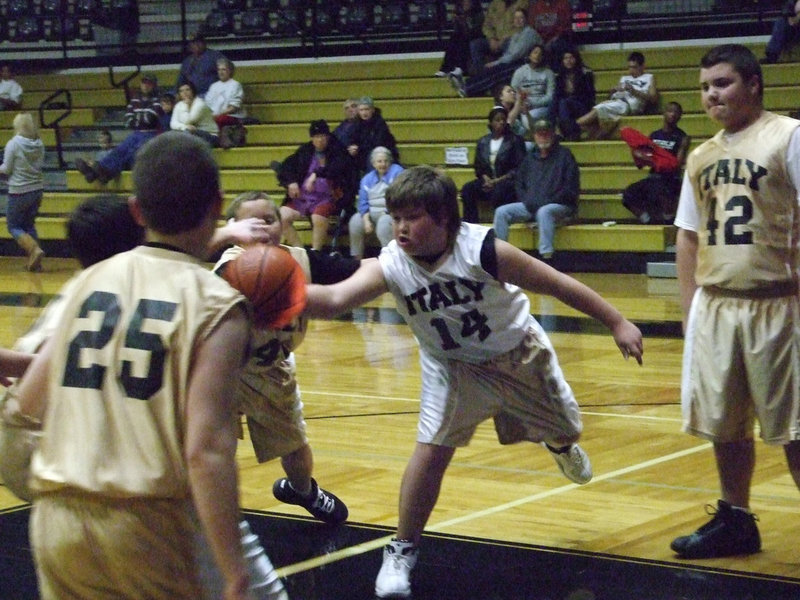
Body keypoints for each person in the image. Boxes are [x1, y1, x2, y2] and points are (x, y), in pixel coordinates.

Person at [303, 165, 643, 599]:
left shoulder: (483, 249)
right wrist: (269, 297)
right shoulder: (392, 263)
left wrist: (616, 321)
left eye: (412, 217)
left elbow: (557, 284)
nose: (400, 227)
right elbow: (334, 301)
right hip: (453, 367)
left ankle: (559, 446)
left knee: (565, 429)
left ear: (444, 217)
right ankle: (402, 547)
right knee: (431, 450)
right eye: (396, 217)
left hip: (519, 355)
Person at [8, 132, 260, 599]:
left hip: (55, 518)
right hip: (143, 525)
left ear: (137, 210)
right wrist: (233, 568)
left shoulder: (89, 280)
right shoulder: (215, 303)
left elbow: (25, 404)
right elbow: (207, 451)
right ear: (217, 204)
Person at [671, 43, 800, 560]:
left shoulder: (788, 136)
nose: (711, 95)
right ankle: (736, 520)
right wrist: (689, 313)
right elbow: (687, 235)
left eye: (721, 83)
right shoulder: (700, 156)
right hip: (718, 305)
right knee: (723, 422)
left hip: (781, 301)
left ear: (753, 84)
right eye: (705, 87)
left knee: (795, 428)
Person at [214, 191, 356, 525]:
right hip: (221, 370)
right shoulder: (228, 267)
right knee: (216, 444)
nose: (262, 227)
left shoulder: (300, 260)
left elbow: (354, 270)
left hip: (270, 369)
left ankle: (302, 491)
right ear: (232, 228)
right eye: (252, 220)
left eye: (270, 219)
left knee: (294, 446)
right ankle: (213, 508)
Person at [493, 118, 579, 261]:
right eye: (539, 134)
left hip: (560, 206)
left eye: (546, 133)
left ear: (553, 134)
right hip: (531, 205)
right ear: (534, 136)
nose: (543, 136)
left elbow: (570, 188)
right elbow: (519, 184)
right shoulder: (529, 159)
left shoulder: (565, 155)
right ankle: (499, 256)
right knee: (501, 212)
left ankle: (546, 257)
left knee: (544, 212)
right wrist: (527, 201)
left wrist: (546, 201)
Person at [277, 119, 355, 250]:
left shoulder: (338, 150)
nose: (320, 140)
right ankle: (300, 250)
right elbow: (286, 166)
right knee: (280, 217)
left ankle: (316, 252)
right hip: (302, 196)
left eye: (323, 136)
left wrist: (316, 174)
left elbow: (337, 169)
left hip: (328, 197)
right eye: (317, 137)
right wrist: (291, 182)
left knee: (317, 217)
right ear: (312, 138)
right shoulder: (305, 150)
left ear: (328, 137)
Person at [75, 73, 164, 184]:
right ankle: (96, 172)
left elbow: (150, 119)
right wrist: (141, 118)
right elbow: (128, 120)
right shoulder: (135, 100)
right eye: (143, 83)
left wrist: (137, 118)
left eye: (149, 83)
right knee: (120, 149)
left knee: (132, 151)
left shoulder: (158, 100)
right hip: (137, 132)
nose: (145, 86)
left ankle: (100, 172)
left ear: (154, 85)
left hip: (152, 134)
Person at [621, 101, 690, 224]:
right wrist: (638, 155)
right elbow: (641, 162)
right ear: (664, 113)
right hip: (653, 176)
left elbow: (676, 165)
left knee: (659, 188)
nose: (672, 115)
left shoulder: (682, 137)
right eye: (670, 111)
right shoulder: (654, 135)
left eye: (676, 112)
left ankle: (668, 218)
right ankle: (647, 220)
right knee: (628, 194)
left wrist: (653, 160)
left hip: (670, 178)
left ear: (680, 116)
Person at [448, 8, 540, 98]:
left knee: (497, 71)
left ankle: (467, 88)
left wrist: (496, 63)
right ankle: (468, 86)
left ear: (526, 20)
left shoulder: (529, 34)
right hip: (515, 62)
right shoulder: (516, 34)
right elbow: (509, 54)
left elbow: (515, 55)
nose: (518, 20)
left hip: (525, 64)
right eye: (516, 18)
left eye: (521, 18)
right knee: (494, 69)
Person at [460, 105, 526, 223]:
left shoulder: (515, 140)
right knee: (467, 189)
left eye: (503, 120)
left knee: (499, 192)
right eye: (497, 120)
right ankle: (471, 223)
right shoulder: (483, 141)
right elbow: (478, 166)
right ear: (490, 123)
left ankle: (500, 224)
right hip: (488, 181)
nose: (501, 122)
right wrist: (485, 178)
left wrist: (497, 181)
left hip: (508, 182)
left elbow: (520, 168)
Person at [576, 51, 658, 139]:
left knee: (598, 110)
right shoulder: (624, 78)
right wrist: (613, 90)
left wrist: (633, 91)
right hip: (616, 101)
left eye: (634, 67)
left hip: (628, 105)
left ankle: (572, 126)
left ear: (642, 66)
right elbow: (610, 97)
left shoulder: (649, 77)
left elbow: (653, 98)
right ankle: (576, 129)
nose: (631, 70)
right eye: (629, 67)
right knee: (593, 123)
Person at [0, 113, 45, 272]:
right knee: (29, 224)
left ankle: (34, 250)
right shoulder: (39, 143)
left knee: (13, 226)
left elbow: (6, 169)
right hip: (37, 189)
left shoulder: (13, 143)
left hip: (19, 191)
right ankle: (35, 262)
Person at [348, 147, 405, 259]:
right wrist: (366, 221)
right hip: (371, 213)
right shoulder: (367, 179)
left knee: (384, 225)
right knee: (355, 222)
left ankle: (391, 259)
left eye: (386, 161)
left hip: (391, 213)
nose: (383, 164)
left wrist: (388, 212)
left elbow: (399, 196)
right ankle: (357, 261)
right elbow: (363, 202)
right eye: (379, 161)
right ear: (373, 164)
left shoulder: (397, 172)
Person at [469, 0, 529, 76]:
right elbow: (486, 25)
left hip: (512, 39)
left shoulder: (523, 3)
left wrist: (505, 38)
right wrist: (491, 38)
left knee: (510, 45)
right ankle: (482, 76)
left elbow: (523, 26)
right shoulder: (495, 3)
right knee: (475, 45)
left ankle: (503, 77)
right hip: (495, 39)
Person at [348, 97, 400, 173]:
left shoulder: (380, 123)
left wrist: (359, 148)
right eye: (361, 110)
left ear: (372, 110)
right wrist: (352, 148)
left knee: (373, 155)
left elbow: (377, 143)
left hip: (381, 154)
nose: (364, 113)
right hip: (362, 154)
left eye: (366, 109)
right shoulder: (356, 124)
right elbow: (352, 139)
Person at [434, 0, 485, 79]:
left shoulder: (479, 14)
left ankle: (460, 67)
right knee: (454, 38)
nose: (465, 3)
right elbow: (458, 29)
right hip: (462, 35)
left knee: (463, 40)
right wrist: (457, 20)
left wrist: (465, 19)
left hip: (476, 37)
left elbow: (475, 29)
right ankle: (445, 68)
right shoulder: (459, 12)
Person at [553, 48, 595, 141]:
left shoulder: (585, 73)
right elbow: (557, 96)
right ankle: (570, 132)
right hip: (565, 108)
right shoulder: (560, 76)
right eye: (566, 58)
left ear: (576, 59)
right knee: (556, 104)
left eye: (571, 57)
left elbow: (589, 96)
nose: (568, 61)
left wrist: (571, 100)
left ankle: (568, 132)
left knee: (564, 103)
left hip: (582, 106)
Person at [205, 57, 247, 149]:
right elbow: (207, 105)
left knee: (219, 120)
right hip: (215, 116)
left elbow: (233, 107)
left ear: (230, 71)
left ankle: (216, 141)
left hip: (232, 116)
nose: (221, 72)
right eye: (219, 70)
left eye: (223, 69)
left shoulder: (235, 85)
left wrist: (217, 114)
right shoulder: (213, 86)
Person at [511, 44, 556, 122]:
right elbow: (513, 90)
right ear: (529, 55)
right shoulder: (520, 72)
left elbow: (550, 96)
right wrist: (521, 105)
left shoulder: (549, 73)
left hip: (542, 107)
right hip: (522, 105)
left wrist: (533, 104)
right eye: (535, 52)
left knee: (531, 116)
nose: (537, 55)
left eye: (540, 54)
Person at [527, 0, 575, 71]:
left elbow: (565, 27)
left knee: (558, 45)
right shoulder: (535, 6)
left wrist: (551, 41)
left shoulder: (563, 4)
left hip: (557, 40)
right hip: (540, 40)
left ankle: (555, 73)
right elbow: (532, 27)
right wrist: (540, 42)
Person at [171, 81, 220, 147]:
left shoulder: (200, 104)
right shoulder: (179, 105)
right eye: (181, 91)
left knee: (187, 134)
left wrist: (185, 106)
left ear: (193, 91)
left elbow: (188, 121)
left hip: (210, 136)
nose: (184, 93)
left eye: (187, 90)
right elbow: (173, 123)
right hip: (192, 135)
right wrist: (184, 127)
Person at [176, 32, 224, 98]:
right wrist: (176, 93)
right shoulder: (187, 61)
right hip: (191, 96)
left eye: (198, 42)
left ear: (204, 43)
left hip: (210, 95)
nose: (196, 45)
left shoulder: (215, 56)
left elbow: (228, 71)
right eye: (193, 43)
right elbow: (181, 80)